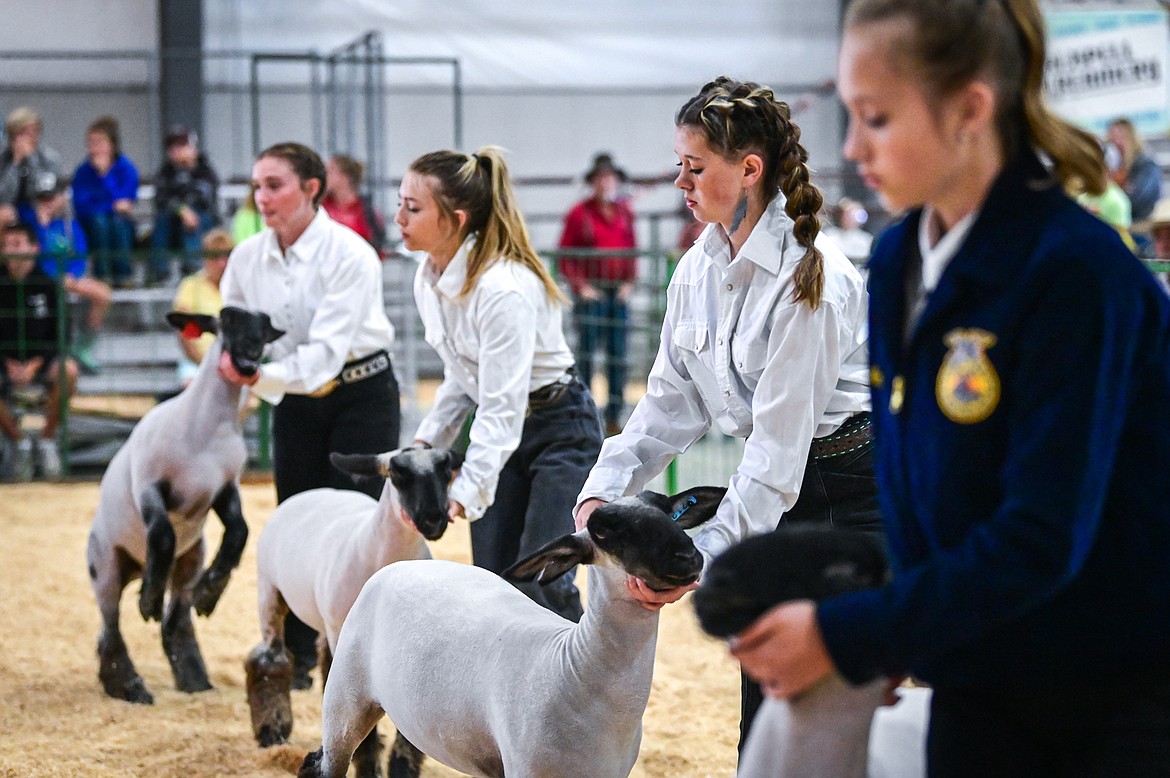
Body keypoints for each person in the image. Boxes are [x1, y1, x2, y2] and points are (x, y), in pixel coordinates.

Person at [733, 2, 1170, 775]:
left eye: (876, 118)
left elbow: (1041, 536)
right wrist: (909, 624)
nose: (851, 146)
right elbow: (917, 477)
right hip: (978, 673)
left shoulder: (1081, 277)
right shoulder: (899, 253)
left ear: (970, 108)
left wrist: (852, 633)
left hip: (1108, 691)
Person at [573, 76, 876, 750]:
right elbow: (667, 405)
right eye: (680, 166)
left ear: (749, 170)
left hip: (852, 499)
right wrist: (601, 491)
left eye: (694, 167)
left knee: (824, 702)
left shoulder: (812, 280)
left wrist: (693, 559)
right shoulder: (696, 269)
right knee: (762, 705)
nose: (681, 182)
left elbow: (775, 456)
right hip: (780, 490)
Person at [218, 141, 399, 690]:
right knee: (295, 519)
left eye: (274, 185)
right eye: (257, 186)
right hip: (294, 399)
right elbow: (233, 329)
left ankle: (363, 661)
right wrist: (239, 367)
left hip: (360, 394)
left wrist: (257, 378)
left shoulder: (351, 253)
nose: (262, 197)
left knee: (357, 524)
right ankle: (295, 659)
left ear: (311, 188)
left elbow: (324, 356)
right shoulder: (246, 258)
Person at [399, 146, 603, 622]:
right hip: (505, 430)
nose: (399, 218)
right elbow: (463, 375)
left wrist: (465, 491)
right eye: (401, 204)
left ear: (455, 218)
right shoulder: (427, 278)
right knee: (493, 581)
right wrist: (425, 443)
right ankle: (510, 695)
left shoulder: (502, 290)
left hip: (560, 429)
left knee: (541, 576)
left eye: (412, 207)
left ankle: (580, 684)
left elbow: (500, 408)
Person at [557, 152, 637, 435]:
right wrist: (581, 287)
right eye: (602, 178)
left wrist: (629, 281)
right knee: (588, 356)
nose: (606, 183)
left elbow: (631, 250)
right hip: (591, 294)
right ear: (594, 182)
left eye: (610, 178)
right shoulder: (579, 214)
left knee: (618, 356)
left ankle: (614, 416)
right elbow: (565, 256)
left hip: (617, 293)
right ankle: (586, 414)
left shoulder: (624, 213)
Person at [0, 221, 78, 480]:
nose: (10, 251)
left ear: (34, 248)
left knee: (69, 370)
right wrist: (6, 364)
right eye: (5, 245)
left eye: (16, 244)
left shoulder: (49, 286)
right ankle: (18, 443)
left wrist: (35, 363)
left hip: (41, 364)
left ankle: (47, 441)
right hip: (5, 366)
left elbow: (63, 336)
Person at [25, 171, 111, 375]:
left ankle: (83, 348)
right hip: (43, 280)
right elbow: (33, 258)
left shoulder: (70, 226)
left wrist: (73, 276)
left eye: (50, 198)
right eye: (41, 199)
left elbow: (80, 254)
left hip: (70, 279)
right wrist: (42, 226)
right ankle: (57, 351)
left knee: (103, 293)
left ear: (61, 199)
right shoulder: (31, 225)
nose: (46, 203)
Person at [70, 115, 140, 287]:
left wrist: (105, 176)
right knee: (101, 221)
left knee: (117, 222)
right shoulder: (83, 171)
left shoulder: (126, 168)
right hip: (91, 223)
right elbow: (81, 205)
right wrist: (110, 206)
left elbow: (126, 201)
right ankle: (102, 274)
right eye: (91, 143)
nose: (94, 148)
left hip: (119, 223)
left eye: (99, 143)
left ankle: (123, 274)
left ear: (112, 144)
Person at [150, 125, 219, 283]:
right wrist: (181, 209)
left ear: (192, 147)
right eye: (173, 146)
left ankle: (192, 270)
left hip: (203, 224)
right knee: (162, 219)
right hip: (173, 226)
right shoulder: (165, 172)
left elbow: (203, 199)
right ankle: (160, 273)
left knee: (192, 219)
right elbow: (160, 199)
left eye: (181, 145)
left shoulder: (205, 170)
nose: (176, 150)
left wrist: (184, 208)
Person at [172, 228, 232, 387]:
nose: (222, 263)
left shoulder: (240, 287)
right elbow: (184, 332)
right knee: (192, 385)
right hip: (197, 362)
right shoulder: (190, 286)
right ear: (205, 258)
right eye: (215, 257)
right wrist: (204, 362)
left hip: (234, 363)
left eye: (227, 256)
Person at [0, 107, 64, 228]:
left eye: (35, 131)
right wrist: (16, 162)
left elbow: (43, 189)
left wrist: (31, 160)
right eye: (25, 133)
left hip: (37, 206)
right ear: (13, 136)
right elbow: (3, 196)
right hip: (11, 209)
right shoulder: (3, 159)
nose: (32, 137)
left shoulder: (49, 159)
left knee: (43, 211)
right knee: (4, 213)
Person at [321, 154, 385, 252]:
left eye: (329, 172)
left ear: (344, 178)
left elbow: (378, 244)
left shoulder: (367, 211)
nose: (324, 177)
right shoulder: (321, 206)